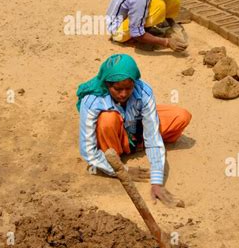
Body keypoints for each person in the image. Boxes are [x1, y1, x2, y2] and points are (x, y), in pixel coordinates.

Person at [77, 54, 192, 205]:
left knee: (180, 116)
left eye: (128, 88)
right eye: (117, 89)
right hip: (113, 135)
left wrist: (157, 182)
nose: (123, 94)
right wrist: (122, 171)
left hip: (135, 128)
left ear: (134, 83)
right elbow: (88, 150)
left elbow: (153, 136)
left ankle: (135, 144)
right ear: (107, 84)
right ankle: (117, 154)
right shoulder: (92, 100)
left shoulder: (143, 90)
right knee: (107, 120)